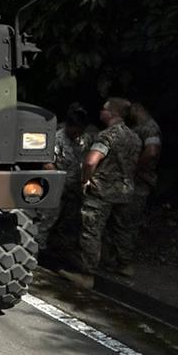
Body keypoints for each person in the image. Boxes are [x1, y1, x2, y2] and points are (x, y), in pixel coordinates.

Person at [59, 98, 141, 289]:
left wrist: (85, 180)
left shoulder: (107, 135)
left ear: (112, 113)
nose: (101, 112)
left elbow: (91, 161)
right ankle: (124, 265)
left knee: (91, 231)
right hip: (125, 190)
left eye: (104, 109)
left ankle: (86, 274)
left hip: (102, 190)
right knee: (121, 228)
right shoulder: (134, 137)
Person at [112, 102, 162, 274]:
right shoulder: (140, 127)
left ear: (139, 108)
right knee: (123, 221)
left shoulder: (150, 128)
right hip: (134, 182)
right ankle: (119, 259)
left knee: (126, 222)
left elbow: (152, 151)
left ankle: (124, 262)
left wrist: (135, 167)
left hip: (139, 182)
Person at [37, 103, 90, 256]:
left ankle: (61, 250)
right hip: (56, 187)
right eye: (75, 130)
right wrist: (61, 183)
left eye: (80, 130)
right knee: (47, 219)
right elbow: (47, 163)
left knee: (70, 221)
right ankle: (38, 250)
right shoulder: (56, 139)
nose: (77, 133)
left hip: (75, 188)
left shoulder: (84, 139)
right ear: (68, 125)